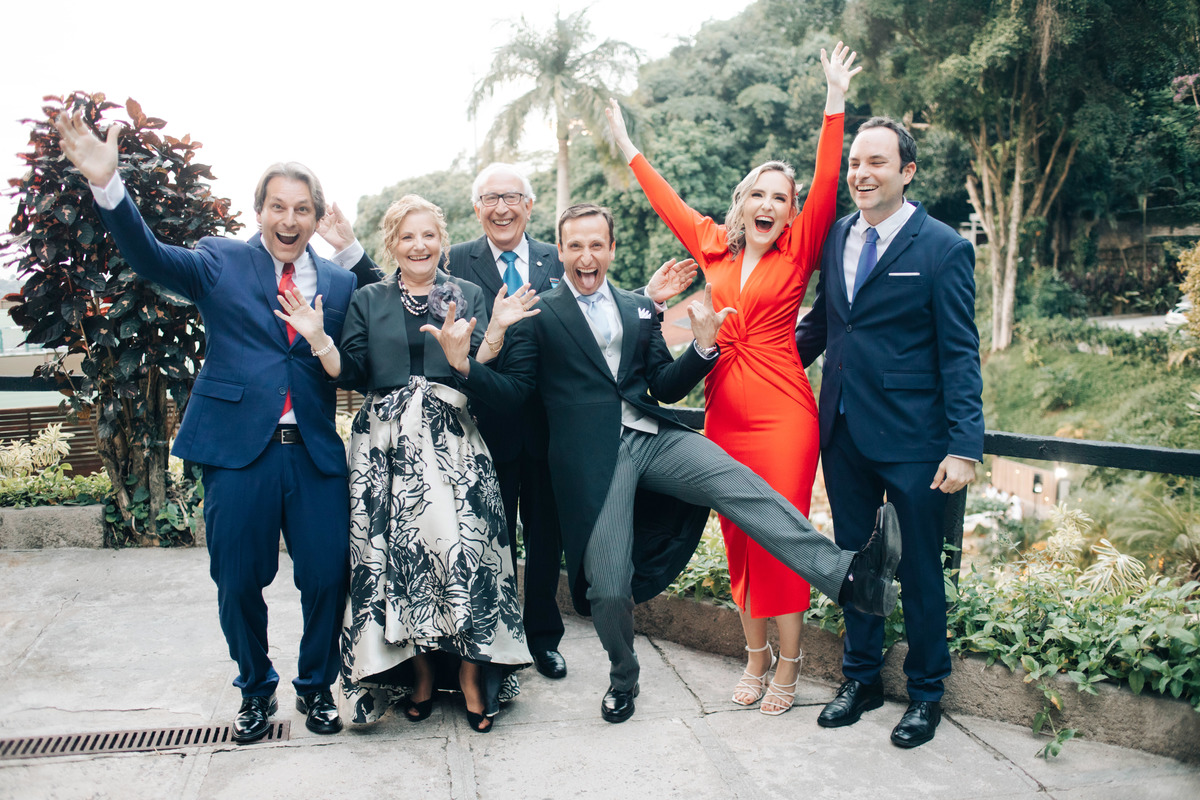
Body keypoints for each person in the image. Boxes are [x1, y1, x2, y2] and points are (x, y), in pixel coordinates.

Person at [428, 202, 902, 724]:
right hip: (594, 462)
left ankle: (849, 578)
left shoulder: (638, 307)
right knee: (609, 589)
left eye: (596, 244)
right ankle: (623, 676)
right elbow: (514, 393)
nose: (586, 255)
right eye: (575, 245)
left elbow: (664, 384)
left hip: (654, 437)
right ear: (559, 251)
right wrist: (464, 365)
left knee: (742, 485)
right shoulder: (536, 314)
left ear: (611, 249)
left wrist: (702, 348)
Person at [54, 111, 380, 743]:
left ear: (317, 218)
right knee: (237, 582)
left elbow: (387, 317)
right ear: (259, 211)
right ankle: (255, 689)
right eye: (278, 207)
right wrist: (108, 187)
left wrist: (354, 255)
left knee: (327, 577)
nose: (289, 220)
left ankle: (315, 687)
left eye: (303, 209)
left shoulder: (340, 284)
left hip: (314, 454)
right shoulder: (219, 261)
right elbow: (149, 256)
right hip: (237, 453)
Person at [606, 43, 859, 716]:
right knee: (740, 539)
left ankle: (790, 668)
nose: (769, 204)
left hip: (784, 415)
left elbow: (827, 180)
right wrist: (628, 147)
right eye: (759, 195)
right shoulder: (713, 247)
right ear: (742, 203)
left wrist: (834, 102)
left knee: (782, 538)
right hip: (725, 414)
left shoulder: (799, 249)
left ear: (791, 211)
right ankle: (754, 659)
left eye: (781, 198)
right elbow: (666, 200)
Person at [279, 194, 537, 733]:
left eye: (428, 235)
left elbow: (476, 366)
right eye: (407, 236)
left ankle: (471, 674)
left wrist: (495, 330)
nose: (419, 245)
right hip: (384, 447)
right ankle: (417, 675)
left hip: (454, 441)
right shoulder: (369, 298)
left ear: (442, 241)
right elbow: (350, 371)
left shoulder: (466, 292)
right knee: (396, 562)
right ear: (392, 244)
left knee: (467, 556)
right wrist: (318, 338)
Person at [447, 164, 698, 680]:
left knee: (546, 542)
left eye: (512, 197)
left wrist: (648, 299)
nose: (502, 208)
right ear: (477, 208)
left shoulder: (558, 255)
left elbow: (595, 314)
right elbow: (414, 288)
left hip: (556, 433)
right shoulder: (454, 260)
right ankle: (492, 645)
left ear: (529, 206)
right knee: (488, 540)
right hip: (486, 426)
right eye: (491, 198)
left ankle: (543, 639)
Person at [795, 116, 984, 748]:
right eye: (855, 163)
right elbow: (824, 325)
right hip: (842, 430)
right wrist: (759, 367)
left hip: (913, 439)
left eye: (876, 162)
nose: (861, 173)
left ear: (907, 172)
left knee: (921, 570)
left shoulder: (943, 248)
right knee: (856, 565)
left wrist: (965, 445)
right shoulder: (838, 235)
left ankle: (927, 694)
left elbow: (960, 353)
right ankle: (861, 679)